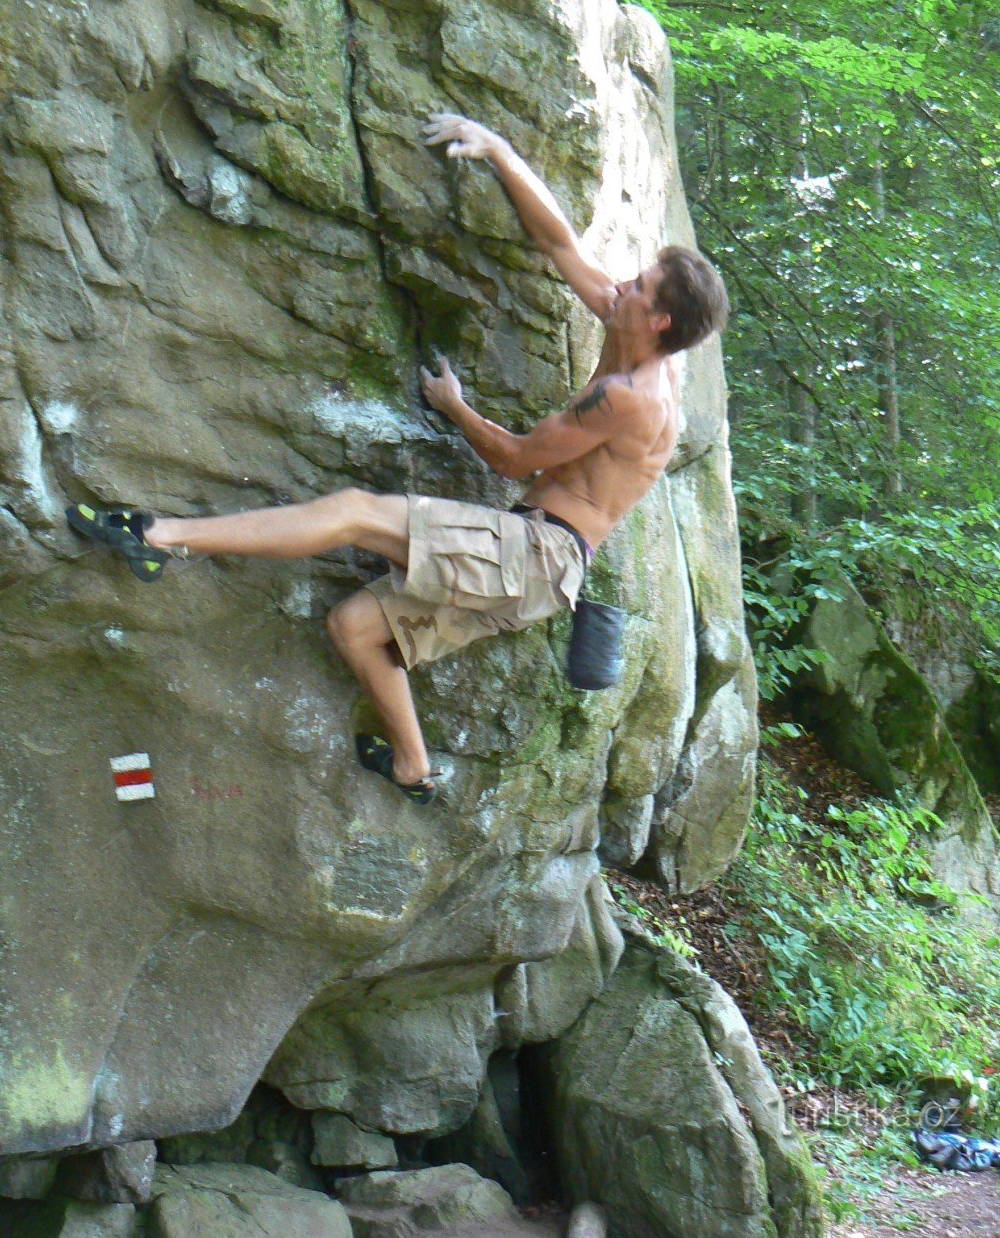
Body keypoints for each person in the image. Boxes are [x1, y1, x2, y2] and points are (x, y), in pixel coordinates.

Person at [66, 114, 730, 804]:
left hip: (537, 555)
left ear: (658, 322)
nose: (621, 285)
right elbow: (558, 241)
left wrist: (453, 406)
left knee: (354, 514)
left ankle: (158, 539)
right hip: (532, 571)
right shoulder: (631, 331)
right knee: (353, 628)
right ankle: (414, 766)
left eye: (639, 287)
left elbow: (513, 458)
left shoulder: (634, 398)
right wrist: (499, 151)